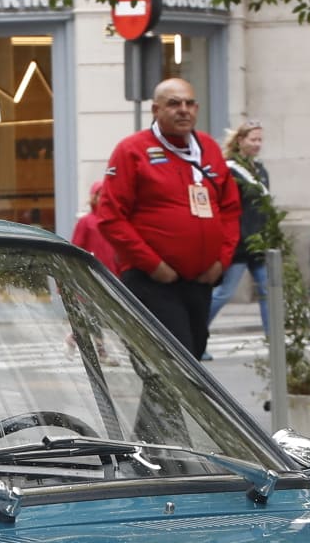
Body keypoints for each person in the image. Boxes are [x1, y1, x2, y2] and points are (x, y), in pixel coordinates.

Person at [87, 77, 241, 358]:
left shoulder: (208, 148)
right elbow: (110, 217)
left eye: (189, 103)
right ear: (156, 111)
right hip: (153, 281)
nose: (183, 110)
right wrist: (154, 266)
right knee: (172, 364)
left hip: (200, 280)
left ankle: (157, 405)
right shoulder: (132, 150)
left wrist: (222, 261)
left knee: (191, 358)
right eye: (174, 104)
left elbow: (230, 209)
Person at [211, 120, 278, 331]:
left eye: (260, 140)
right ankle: (196, 334)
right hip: (238, 244)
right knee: (224, 292)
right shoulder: (230, 170)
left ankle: (273, 341)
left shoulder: (260, 170)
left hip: (258, 243)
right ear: (240, 140)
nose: (258, 144)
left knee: (268, 291)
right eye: (253, 139)